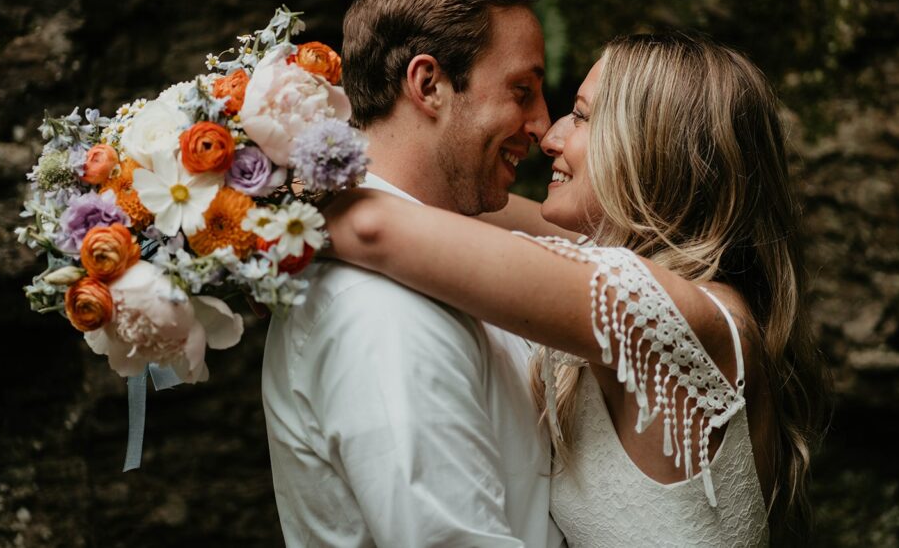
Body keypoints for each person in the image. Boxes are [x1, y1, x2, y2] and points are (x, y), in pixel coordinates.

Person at [323, 33, 830, 546]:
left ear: (656, 149)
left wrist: (262, 187)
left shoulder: (683, 318)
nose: (551, 137)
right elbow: (437, 198)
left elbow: (372, 226)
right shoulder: (633, 271)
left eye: (583, 117)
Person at [261, 0, 567, 547]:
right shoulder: (381, 311)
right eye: (521, 91)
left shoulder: (446, 254)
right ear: (429, 85)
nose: (542, 126)